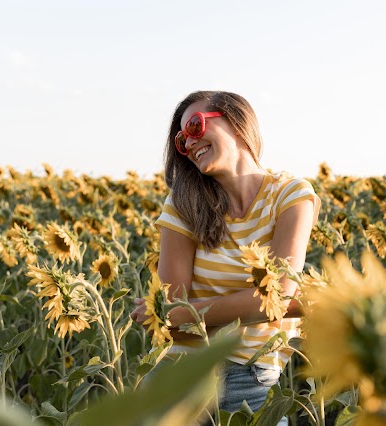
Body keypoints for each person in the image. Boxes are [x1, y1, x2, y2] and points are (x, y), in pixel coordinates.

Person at [130, 90, 321, 422]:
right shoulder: (183, 204)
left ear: (236, 121)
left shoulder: (291, 195)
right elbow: (173, 309)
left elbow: (274, 296)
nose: (188, 144)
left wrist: (187, 313)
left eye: (194, 126)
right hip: (180, 374)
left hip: (249, 374)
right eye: (180, 140)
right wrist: (287, 302)